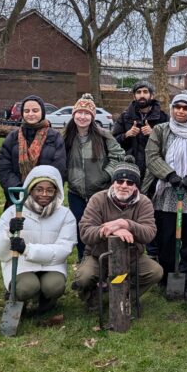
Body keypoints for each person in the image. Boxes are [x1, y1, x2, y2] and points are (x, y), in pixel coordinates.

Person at [144, 93, 187, 300]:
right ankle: (166, 276)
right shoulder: (160, 130)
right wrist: (170, 176)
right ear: (172, 109)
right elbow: (152, 155)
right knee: (166, 238)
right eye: (177, 107)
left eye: (186, 108)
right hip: (166, 190)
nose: (181, 111)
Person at [74, 156, 164, 308]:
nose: (124, 186)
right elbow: (85, 232)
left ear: (136, 186)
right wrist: (106, 230)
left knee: (155, 272)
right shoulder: (98, 199)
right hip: (99, 256)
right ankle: (91, 295)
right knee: (84, 277)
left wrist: (126, 224)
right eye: (119, 181)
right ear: (113, 182)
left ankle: (120, 297)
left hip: (132, 256)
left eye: (130, 182)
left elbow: (149, 233)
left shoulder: (144, 202)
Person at [0, 165, 76, 314]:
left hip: (51, 265)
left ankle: (45, 299)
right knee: (27, 287)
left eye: (50, 190)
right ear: (30, 190)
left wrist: (27, 249)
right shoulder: (13, 212)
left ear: (57, 191)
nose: (44, 194)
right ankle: (22, 296)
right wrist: (9, 233)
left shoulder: (65, 215)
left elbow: (64, 249)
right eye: (39, 189)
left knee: (54, 286)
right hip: (22, 265)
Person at [63, 93, 123, 260]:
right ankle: (84, 260)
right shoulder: (66, 137)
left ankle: (102, 261)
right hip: (76, 193)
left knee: (100, 227)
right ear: (74, 115)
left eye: (87, 113)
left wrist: (105, 175)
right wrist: (68, 176)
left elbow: (119, 156)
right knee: (81, 227)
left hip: (100, 192)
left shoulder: (103, 136)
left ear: (92, 116)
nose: (82, 117)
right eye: (79, 113)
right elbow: (60, 159)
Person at [0, 94, 67, 207]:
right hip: (17, 197)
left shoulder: (55, 137)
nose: (31, 114)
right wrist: (20, 190)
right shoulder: (12, 138)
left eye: (35, 110)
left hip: (45, 198)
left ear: (42, 112)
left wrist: (41, 190)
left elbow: (59, 167)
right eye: (27, 111)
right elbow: (4, 167)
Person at [112, 82, 167, 180]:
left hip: (154, 169)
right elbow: (113, 142)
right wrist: (127, 135)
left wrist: (154, 134)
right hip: (130, 167)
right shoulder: (125, 117)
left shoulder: (162, 117)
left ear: (152, 95)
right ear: (134, 96)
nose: (142, 95)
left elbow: (169, 144)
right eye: (138, 92)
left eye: (145, 92)